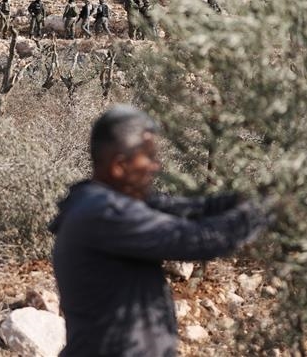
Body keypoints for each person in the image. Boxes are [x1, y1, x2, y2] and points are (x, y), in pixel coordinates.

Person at [50, 105, 273, 357]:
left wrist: (257, 197)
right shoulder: (104, 213)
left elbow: (195, 209)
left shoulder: (108, 202)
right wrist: (269, 207)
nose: (156, 166)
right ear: (119, 166)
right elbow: (198, 239)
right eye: (148, 157)